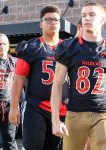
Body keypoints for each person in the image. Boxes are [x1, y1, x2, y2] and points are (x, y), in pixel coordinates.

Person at [9, 5, 68, 150]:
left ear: (60, 23)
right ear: (40, 23)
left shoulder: (70, 47)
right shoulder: (31, 47)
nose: (52, 22)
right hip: (37, 107)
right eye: (48, 19)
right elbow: (18, 80)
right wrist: (13, 107)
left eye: (55, 19)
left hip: (63, 109)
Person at [51, 2, 106, 150]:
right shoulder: (69, 47)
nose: (86, 18)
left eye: (92, 14)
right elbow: (57, 85)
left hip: (103, 114)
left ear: (102, 19)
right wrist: (55, 120)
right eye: (83, 15)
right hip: (75, 113)